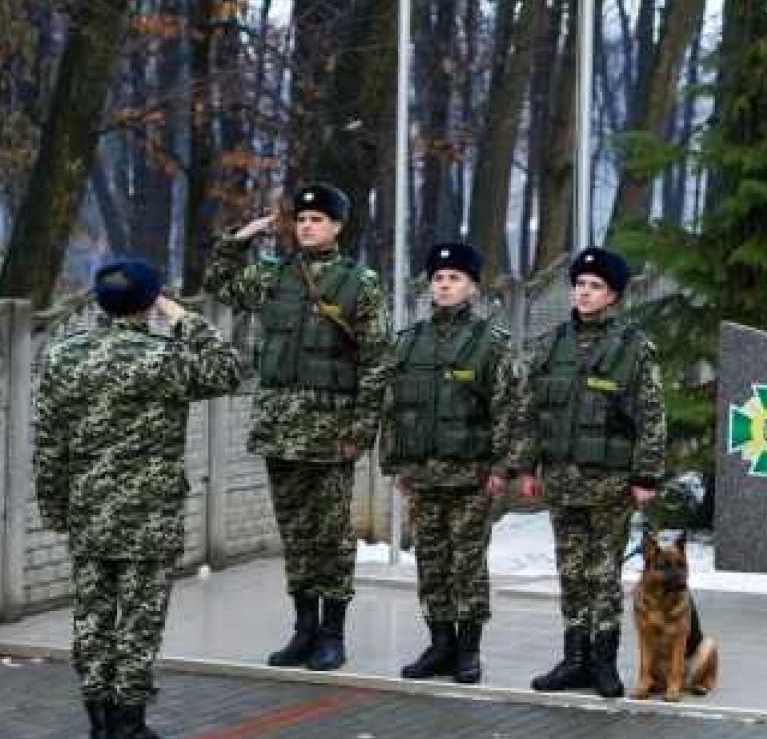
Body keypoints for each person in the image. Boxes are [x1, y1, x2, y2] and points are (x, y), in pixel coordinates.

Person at [34, 258, 241, 739]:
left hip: (88, 509)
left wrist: (56, 507)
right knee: (139, 621)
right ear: (149, 301)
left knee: (92, 618)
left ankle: (99, 728)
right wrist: (180, 315)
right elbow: (229, 368)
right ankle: (131, 728)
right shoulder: (162, 358)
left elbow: (47, 442)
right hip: (148, 514)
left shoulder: (65, 356)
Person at [204, 182, 391, 671]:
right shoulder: (274, 275)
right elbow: (220, 285)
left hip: (332, 431)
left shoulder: (360, 284)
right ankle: (303, 629)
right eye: (301, 220)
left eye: (317, 220)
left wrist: (361, 429)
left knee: (330, 533)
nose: (307, 227)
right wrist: (239, 239)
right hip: (279, 427)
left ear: (337, 226)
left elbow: (376, 361)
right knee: (296, 533)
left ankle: (333, 633)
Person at [518, 247, 666, 698]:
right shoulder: (551, 345)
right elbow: (530, 410)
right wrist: (527, 466)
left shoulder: (634, 349)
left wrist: (646, 477)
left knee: (603, 574)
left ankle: (603, 663)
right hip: (562, 481)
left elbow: (652, 415)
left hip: (609, 484)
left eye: (594, 287)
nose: (584, 293)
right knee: (571, 571)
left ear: (613, 296)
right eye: (579, 285)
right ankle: (573, 658)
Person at [379, 242, 524, 684]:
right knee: (431, 561)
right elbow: (396, 408)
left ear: (473, 289)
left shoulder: (490, 345)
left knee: (467, 563)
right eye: (438, 279)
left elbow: (508, 410)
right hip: (422, 475)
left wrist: (502, 469)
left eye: (454, 279)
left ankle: (468, 650)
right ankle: (439, 644)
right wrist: (396, 465)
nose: (444, 286)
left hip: (470, 476)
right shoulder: (409, 343)